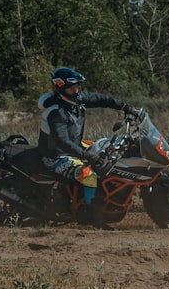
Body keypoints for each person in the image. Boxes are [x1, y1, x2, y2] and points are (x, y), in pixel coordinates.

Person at [37, 66, 134, 205]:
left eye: (76, 85)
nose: (75, 90)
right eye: (71, 87)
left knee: (106, 150)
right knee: (88, 176)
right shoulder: (56, 112)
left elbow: (102, 99)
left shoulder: (77, 100)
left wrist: (125, 107)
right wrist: (88, 156)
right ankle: (93, 216)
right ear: (60, 88)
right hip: (55, 157)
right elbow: (63, 141)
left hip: (73, 148)